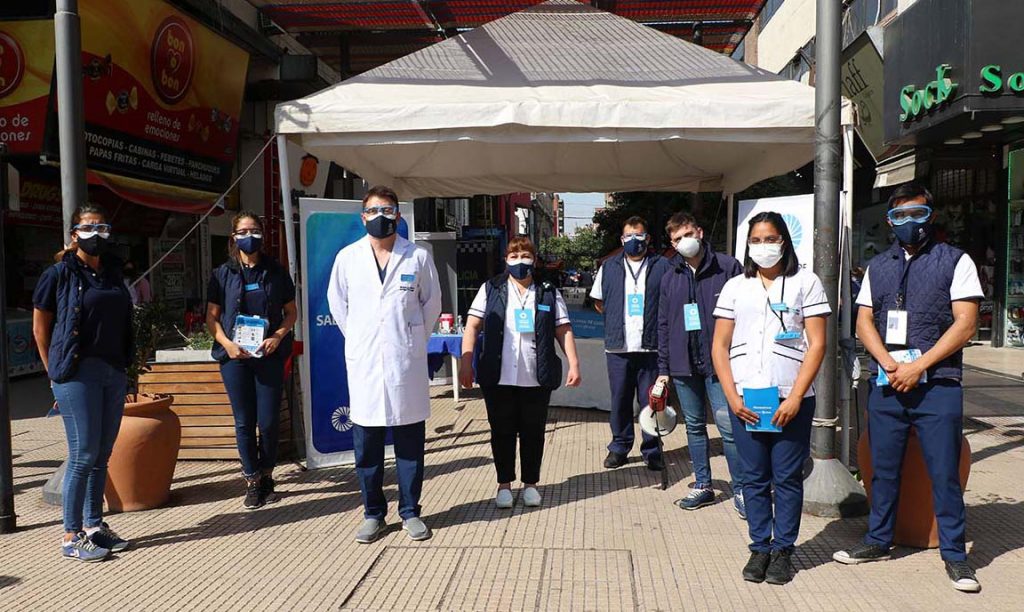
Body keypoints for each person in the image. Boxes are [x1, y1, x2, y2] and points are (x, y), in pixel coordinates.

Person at [832, 184, 983, 593]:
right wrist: (888, 363)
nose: (909, 222)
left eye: (918, 213)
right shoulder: (878, 266)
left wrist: (919, 366)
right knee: (882, 469)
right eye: (900, 215)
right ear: (889, 221)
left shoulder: (956, 261)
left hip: (939, 384)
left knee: (944, 472)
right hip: (888, 382)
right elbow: (864, 321)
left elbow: (966, 324)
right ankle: (878, 540)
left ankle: (955, 555)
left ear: (931, 215)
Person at [711, 211, 831, 585]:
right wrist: (731, 397)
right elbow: (719, 346)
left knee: (787, 478)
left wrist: (795, 397)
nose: (763, 246)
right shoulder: (736, 287)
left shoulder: (805, 282)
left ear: (784, 241)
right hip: (747, 398)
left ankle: (783, 550)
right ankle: (759, 547)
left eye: (770, 239)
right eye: (756, 240)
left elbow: (818, 344)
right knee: (753, 478)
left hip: (791, 399)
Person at [327, 185, 442, 543]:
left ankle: (410, 512)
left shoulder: (417, 256)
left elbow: (432, 304)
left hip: (404, 362)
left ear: (398, 215)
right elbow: (338, 305)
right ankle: (373, 513)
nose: (381, 217)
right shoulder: (347, 257)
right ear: (363, 217)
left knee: (410, 443)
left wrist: (411, 340)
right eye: (374, 210)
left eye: (388, 210)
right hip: (365, 363)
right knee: (368, 447)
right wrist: (361, 338)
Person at [32, 204, 133, 562]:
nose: (96, 234)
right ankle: (70, 535)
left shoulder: (113, 273)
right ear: (74, 234)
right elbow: (40, 328)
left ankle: (93, 527)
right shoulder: (59, 273)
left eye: (101, 227)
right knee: (83, 454)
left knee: (102, 455)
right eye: (88, 227)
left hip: (112, 370)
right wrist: (53, 373)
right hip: (76, 373)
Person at [460, 237, 581, 508]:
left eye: (525, 255)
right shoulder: (491, 288)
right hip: (498, 375)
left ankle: (530, 485)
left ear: (534, 260)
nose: (520, 261)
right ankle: (504, 484)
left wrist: (573, 363)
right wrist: (466, 362)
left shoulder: (548, 291)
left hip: (536, 375)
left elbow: (563, 329)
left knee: (533, 432)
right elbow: (473, 325)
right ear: (506, 260)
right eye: (514, 256)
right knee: (501, 431)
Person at [656, 212, 746, 515]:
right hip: (683, 364)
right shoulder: (670, 276)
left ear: (700, 232)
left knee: (729, 427)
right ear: (672, 244)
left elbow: (745, 313)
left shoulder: (728, 267)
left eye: (688, 234)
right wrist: (663, 370)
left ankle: (742, 488)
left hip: (720, 364)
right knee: (694, 427)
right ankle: (703, 484)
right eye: (677, 238)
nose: (684, 241)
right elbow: (663, 325)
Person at [206, 211, 297, 510]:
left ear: (262, 234)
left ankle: (268, 474)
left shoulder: (276, 271)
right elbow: (212, 318)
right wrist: (227, 344)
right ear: (233, 237)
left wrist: (278, 336)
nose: (249, 236)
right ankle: (252, 481)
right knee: (244, 422)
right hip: (235, 358)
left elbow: (291, 312)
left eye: (254, 230)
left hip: (267, 355)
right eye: (243, 231)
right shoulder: (222, 274)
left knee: (268, 422)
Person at [589, 216, 672, 471]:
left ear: (648, 238)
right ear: (622, 239)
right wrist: (616, 317)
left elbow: (672, 301)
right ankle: (619, 447)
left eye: (639, 235)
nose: (634, 240)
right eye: (629, 236)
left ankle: (652, 449)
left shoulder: (663, 266)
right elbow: (598, 301)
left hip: (651, 346)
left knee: (653, 401)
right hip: (619, 347)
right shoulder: (609, 267)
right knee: (620, 400)